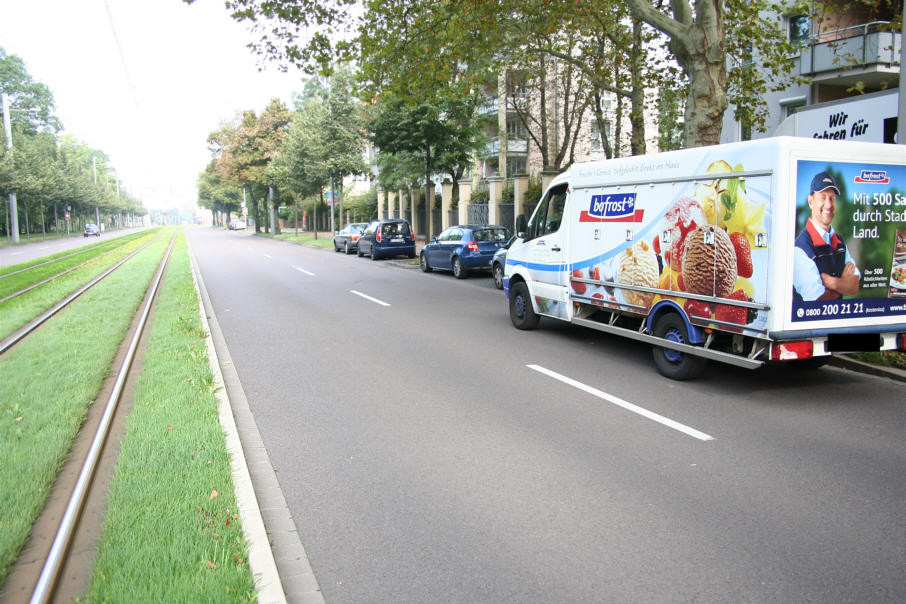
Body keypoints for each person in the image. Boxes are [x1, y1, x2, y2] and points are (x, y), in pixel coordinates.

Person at [793, 171, 860, 301]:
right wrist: (843, 283)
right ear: (811, 201)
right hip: (809, 322)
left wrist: (831, 282)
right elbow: (818, 302)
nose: (829, 205)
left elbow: (854, 286)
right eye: (823, 197)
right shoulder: (800, 249)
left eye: (832, 198)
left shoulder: (839, 241)